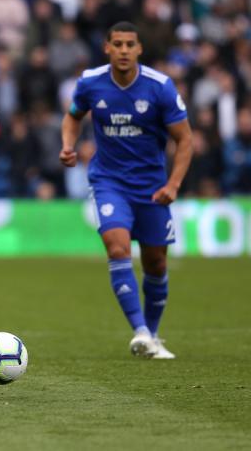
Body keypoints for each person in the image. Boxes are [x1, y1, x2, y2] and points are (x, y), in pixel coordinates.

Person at [60, 21, 193, 359]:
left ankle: (153, 334)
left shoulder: (160, 87)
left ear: (139, 49)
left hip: (152, 187)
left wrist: (174, 184)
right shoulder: (90, 82)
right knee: (117, 247)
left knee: (156, 263)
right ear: (107, 47)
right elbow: (73, 116)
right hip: (109, 182)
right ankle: (141, 331)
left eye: (129, 44)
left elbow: (185, 139)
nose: (123, 50)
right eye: (117, 44)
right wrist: (68, 144)